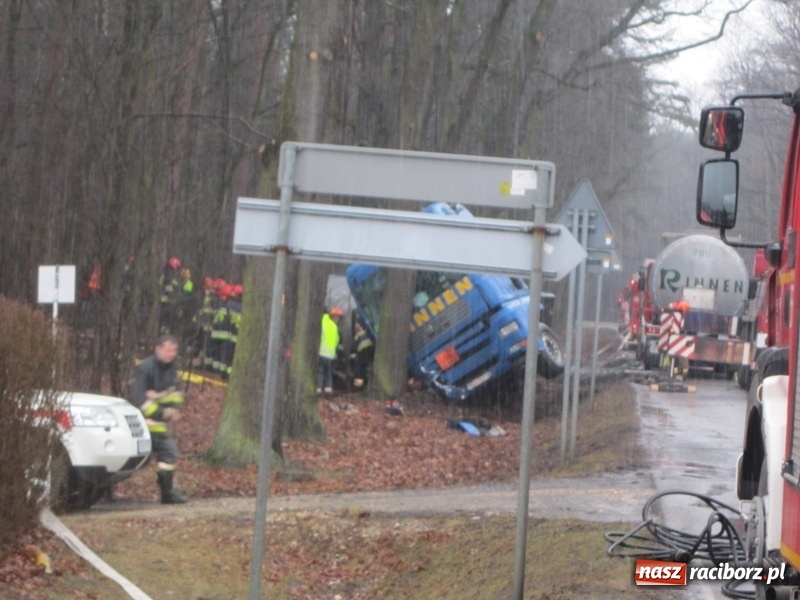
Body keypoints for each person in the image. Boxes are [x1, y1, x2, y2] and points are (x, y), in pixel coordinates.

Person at [129, 335, 189, 504]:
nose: (172, 354)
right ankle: (107, 491)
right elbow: (139, 399)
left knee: (169, 455)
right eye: (168, 350)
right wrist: (162, 411)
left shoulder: (172, 369)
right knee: (130, 461)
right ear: (158, 349)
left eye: (174, 350)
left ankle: (167, 493)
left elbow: (176, 393)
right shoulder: (145, 368)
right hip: (143, 426)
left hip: (160, 426)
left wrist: (172, 408)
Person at [317, 307, 343, 397]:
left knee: (320, 372)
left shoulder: (322, 322)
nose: (337, 320)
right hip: (330, 355)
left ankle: (319, 390)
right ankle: (328, 391)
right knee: (328, 373)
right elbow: (337, 341)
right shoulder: (335, 327)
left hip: (321, 352)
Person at [352, 321, 374, 389]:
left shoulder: (358, 335)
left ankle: (358, 386)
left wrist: (352, 354)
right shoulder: (368, 333)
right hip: (371, 350)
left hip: (362, 352)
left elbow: (354, 347)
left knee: (360, 368)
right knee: (368, 366)